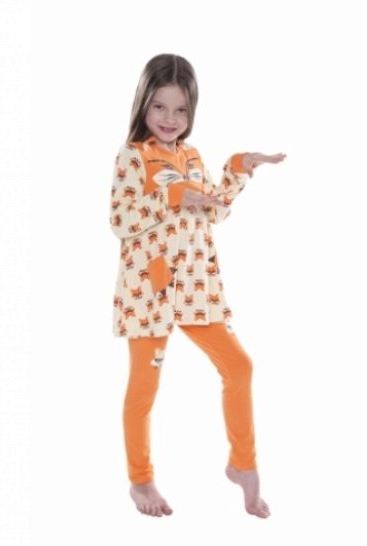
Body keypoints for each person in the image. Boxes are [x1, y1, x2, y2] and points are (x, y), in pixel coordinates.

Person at [109, 53, 286, 518]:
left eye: (181, 109)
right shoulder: (132, 155)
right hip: (150, 292)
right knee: (144, 389)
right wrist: (170, 196)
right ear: (143, 104)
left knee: (239, 367)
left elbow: (214, 210)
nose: (170, 118)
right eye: (159, 106)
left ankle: (243, 465)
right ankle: (140, 480)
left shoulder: (190, 155)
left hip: (194, 288)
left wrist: (239, 168)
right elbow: (120, 219)